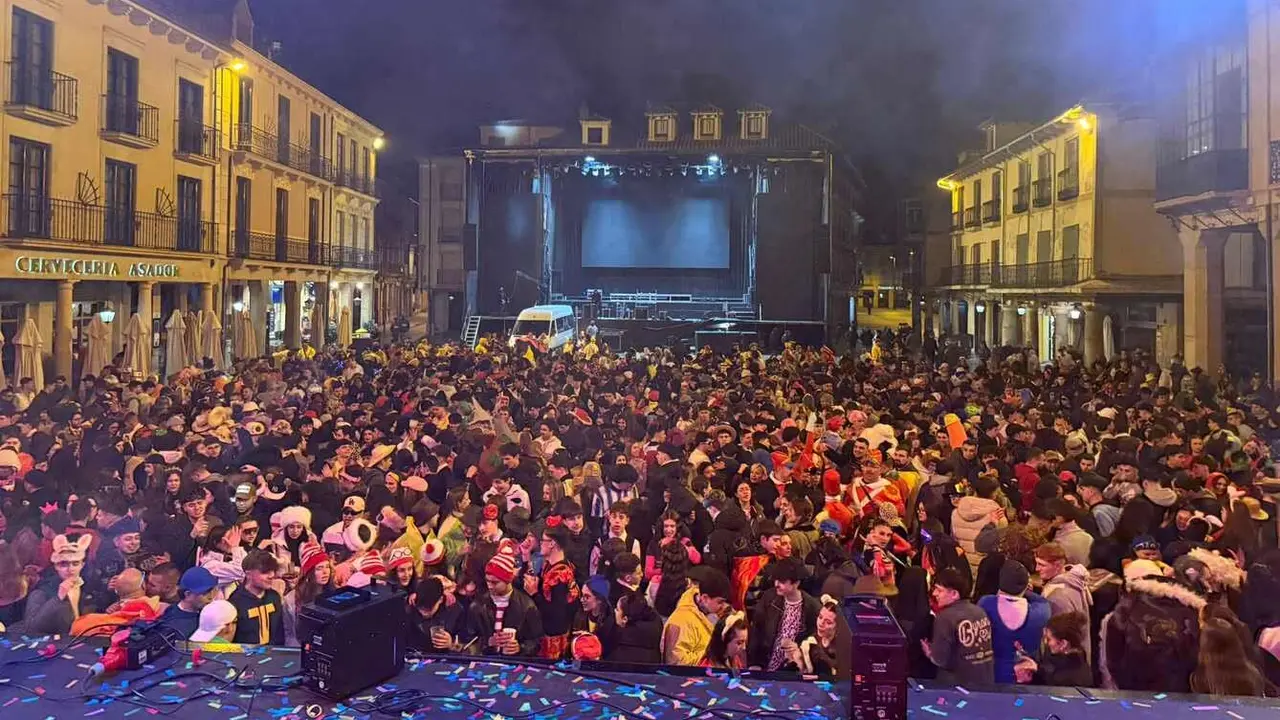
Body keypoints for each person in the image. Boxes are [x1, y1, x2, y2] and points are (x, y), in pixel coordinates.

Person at [980, 559, 1051, 684]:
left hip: (994, 673)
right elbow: (1041, 601)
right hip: (1027, 675)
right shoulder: (1040, 611)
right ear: (1026, 585)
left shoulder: (986, 604)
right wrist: (1026, 591)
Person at [467, 541, 543, 656]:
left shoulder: (527, 606)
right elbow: (468, 640)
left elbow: (536, 641)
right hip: (486, 662)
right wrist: (487, 643)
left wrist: (520, 648)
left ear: (508, 580)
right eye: (488, 581)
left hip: (513, 663)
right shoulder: (477, 606)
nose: (489, 586)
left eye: (495, 582)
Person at [923, 568, 994, 685]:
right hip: (985, 683)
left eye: (939, 590)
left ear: (954, 594)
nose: (934, 593)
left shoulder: (945, 618)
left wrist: (929, 653)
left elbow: (940, 660)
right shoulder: (980, 611)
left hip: (958, 687)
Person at [748, 558, 819, 671]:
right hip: (765, 664)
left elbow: (814, 638)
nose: (776, 584)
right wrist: (754, 663)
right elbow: (756, 631)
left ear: (796, 583)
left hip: (792, 669)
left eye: (782, 581)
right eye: (776, 580)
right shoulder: (769, 598)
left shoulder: (812, 607)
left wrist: (799, 647)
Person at [21, 534, 95, 635]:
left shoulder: (89, 586)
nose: (70, 569)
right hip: (56, 642)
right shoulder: (42, 591)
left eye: (75, 563)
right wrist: (58, 599)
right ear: (56, 566)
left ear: (82, 565)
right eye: (64, 564)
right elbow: (31, 629)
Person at [662, 567, 732, 665]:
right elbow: (676, 662)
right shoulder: (680, 622)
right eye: (720, 602)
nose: (723, 606)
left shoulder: (711, 614)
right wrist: (713, 654)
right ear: (705, 598)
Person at [1014, 611, 1093, 687]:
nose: (1045, 642)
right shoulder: (1060, 657)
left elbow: (1049, 682)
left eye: (1049, 639)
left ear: (1063, 643)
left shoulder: (1071, 679)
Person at [227, 550, 284, 645]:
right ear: (248, 574)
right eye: (265, 572)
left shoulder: (274, 597)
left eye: (273, 570)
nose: (271, 575)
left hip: (275, 652)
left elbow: (280, 633)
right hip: (245, 653)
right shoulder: (235, 602)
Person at [159, 567, 219, 639]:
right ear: (188, 594)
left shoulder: (205, 612)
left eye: (212, 591)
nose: (211, 597)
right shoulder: (176, 628)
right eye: (204, 593)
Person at [608, 591, 663, 664]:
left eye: (617, 609)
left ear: (625, 619)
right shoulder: (655, 631)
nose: (614, 611)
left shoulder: (617, 654)